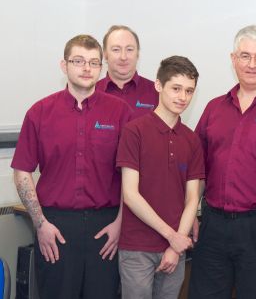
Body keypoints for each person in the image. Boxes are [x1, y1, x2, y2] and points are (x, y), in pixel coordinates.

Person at [11, 35, 131, 299]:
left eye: (93, 62)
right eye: (78, 61)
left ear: (102, 67)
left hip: (105, 227)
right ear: (64, 66)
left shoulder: (120, 112)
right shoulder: (39, 112)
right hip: (56, 227)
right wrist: (40, 223)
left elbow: (130, 175)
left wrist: (121, 223)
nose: (86, 68)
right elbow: (22, 172)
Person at [188, 25, 256, 299]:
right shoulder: (214, 108)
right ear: (233, 59)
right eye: (245, 56)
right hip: (212, 225)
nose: (252, 64)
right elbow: (197, 169)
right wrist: (189, 214)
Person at [116, 55, 204, 299]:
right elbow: (130, 195)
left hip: (174, 249)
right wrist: (172, 236)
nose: (182, 97)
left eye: (189, 91)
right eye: (176, 88)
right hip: (137, 248)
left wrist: (176, 247)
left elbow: (192, 198)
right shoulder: (134, 131)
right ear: (158, 85)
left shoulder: (191, 139)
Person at [97, 25, 159, 120]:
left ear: (137, 53)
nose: (123, 57)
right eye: (116, 50)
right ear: (105, 54)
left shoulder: (157, 93)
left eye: (129, 49)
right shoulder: (92, 92)